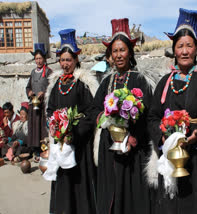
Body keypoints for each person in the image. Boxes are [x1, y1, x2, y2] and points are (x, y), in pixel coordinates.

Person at [147, 8, 197, 214]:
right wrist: (162, 139)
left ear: (196, 49)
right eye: (180, 46)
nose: (184, 51)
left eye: (189, 45)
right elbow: (153, 117)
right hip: (170, 156)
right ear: (174, 49)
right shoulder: (165, 82)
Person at [92, 18, 152, 214]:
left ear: (130, 52)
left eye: (122, 50)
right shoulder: (106, 82)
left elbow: (148, 115)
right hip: (109, 148)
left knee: (130, 197)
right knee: (111, 195)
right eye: (114, 51)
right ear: (110, 55)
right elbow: (94, 110)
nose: (118, 55)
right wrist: (107, 119)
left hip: (133, 149)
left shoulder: (140, 80)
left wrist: (133, 138)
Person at [45, 29, 98, 214]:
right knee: (62, 182)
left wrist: (73, 133)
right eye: (62, 60)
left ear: (76, 60)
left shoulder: (83, 84)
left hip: (78, 146)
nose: (65, 64)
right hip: (60, 142)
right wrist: (55, 127)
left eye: (69, 59)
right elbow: (50, 110)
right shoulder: (55, 85)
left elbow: (90, 114)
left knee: (78, 185)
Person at [26, 43, 52, 160]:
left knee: (42, 127)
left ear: (44, 58)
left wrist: (44, 92)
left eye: (40, 58)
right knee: (34, 127)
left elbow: (52, 86)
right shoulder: (32, 72)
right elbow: (28, 86)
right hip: (34, 103)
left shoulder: (48, 72)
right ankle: (36, 150)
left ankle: (44, 149)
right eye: (36, 58)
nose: (38, 61)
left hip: (43, 105)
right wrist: (30, 92)